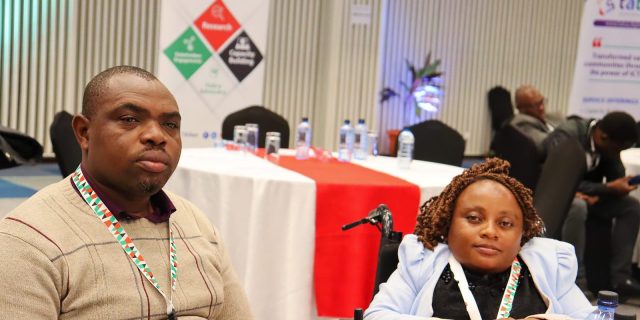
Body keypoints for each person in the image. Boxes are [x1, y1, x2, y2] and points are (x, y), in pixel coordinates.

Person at [0, 66, 254, 319]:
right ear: (84, 132)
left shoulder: (197, 225)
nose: (157, 135)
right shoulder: (28, 242)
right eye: (130, 120)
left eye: (170, 124)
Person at [365, 158, 594, 320]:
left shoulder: (547, 263)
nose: (490, 232)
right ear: (449, 224)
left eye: (505, 224)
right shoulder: (422, 260)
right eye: (474, 218)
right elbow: (378, 316)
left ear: (522, 234)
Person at [542, 111, 640, 296]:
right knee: (577, 207)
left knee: (631, 206)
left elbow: (614, 178)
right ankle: (577, 280)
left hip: (588, 196)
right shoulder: (567, 136)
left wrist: (607, 191)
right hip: (555, 195)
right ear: (603, 137)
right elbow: (555, 177)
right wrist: (603, 189)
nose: (617, 154)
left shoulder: (607, 144)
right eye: (617, 149)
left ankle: (620, 277)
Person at [509, 85, 564, 153]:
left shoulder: (551, 117)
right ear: (521, 108)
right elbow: (547, 145)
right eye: (535, 105)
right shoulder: (522, 125)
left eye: (542, 101)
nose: (541, 108)